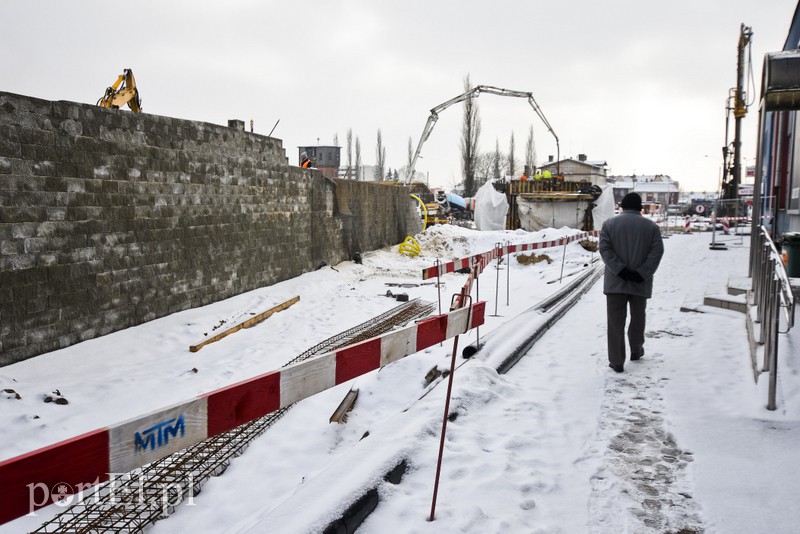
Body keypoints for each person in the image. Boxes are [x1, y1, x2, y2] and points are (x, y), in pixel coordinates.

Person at [599, 192, 664, 373]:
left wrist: (620, 270)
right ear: (640, 208)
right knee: (638, 318)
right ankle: (636, 350)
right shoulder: (651, 227)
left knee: (615, 322)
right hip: (640, 283)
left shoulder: (609, 225)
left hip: (615, 282)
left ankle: (617, 361)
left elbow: (604, 250)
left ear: (622, 207)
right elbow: (656, 252)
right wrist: (641, 273)